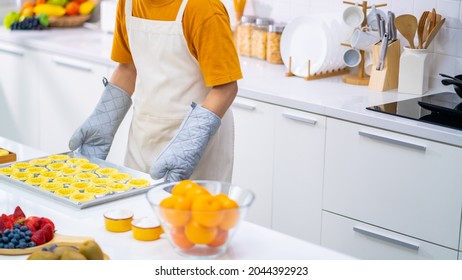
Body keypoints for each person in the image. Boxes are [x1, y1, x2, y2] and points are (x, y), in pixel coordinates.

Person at [68, 0, 242, 183]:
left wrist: (189, 145)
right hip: (143, 138)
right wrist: (104, 120)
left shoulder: (203, 8)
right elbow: (128, 68)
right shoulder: (128, 4)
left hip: (197, 150)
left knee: (187, 210)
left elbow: (226, 87)